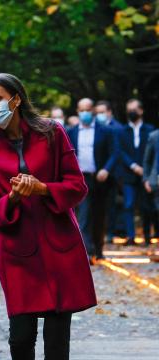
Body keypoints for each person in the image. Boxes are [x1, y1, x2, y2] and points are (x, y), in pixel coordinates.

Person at [0, 73, 97, 360]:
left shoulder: (52, 132)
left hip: (58, 245)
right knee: (20, 337)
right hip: (17, 252)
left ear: (15, 99)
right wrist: (13, 198)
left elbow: (77, 186)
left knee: (56, 339)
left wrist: (43, 189)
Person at [67, 98, 117, 262]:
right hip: (81, 179)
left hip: (101, 179)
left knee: (99, 215)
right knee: (85, 215)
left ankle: (98, 248)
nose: (85, 113)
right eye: (81, 110)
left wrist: (106, 169)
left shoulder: (105, 131)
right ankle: (86, 252)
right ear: (77, 111)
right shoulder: (72, 132)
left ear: (93, 110)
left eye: (87, 109)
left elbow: (114, 153)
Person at [119, 99, 157, 246]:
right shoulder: (122, 130)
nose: (131, 112)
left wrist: (145, 170)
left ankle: (148, 236)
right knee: (128, 204)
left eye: (134, 109)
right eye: (129, 110)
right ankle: (130, 236)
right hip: (129, 174)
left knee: (146, 206)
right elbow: (120, 151)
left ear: (141, 111)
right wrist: (134, 166)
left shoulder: (150, 130)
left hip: (146, 175)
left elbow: (152, 153)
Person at [95, 100, 126, 243]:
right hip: (97, 173)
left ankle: (111, 232)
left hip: (114, 173)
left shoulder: (119, 128)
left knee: (113, 204)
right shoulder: (95, 128)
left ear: (109, 112)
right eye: (98, 112)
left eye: (102, 112)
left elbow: (119, 151)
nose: (99, 115)